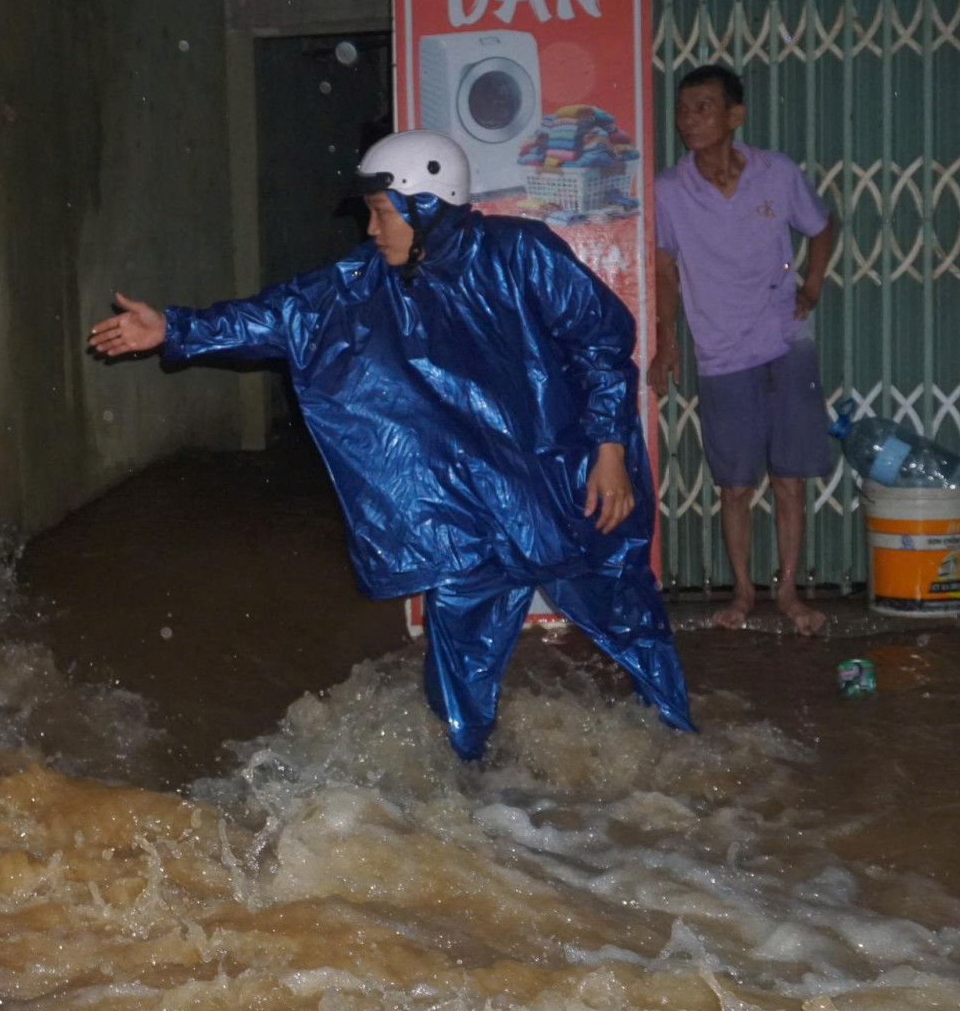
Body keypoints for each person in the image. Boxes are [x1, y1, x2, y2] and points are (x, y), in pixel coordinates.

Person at [88, 129, 694, 761]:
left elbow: (601, 344)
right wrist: (174, 328)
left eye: (381, 214)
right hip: (471, 505)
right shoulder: (362, 283)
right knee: (459, 658)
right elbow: (279, 315)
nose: (372, 231)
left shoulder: (521, 254)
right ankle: (470, 793)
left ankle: (679, 750)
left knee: (627, 617)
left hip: (572, 485)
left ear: (428, 205)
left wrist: (610, 453)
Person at [651, 64, 837, 635]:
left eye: (703, 107)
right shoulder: (667, 191)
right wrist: (666, 339)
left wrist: (813, 282)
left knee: (789, 479)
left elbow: (823, 226)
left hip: (786, 342)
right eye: (683, 109)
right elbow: (664, 268)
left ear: (736, 116)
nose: (689, 120)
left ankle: (788, 592)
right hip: (721, 350)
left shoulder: (775, 173)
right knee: (734, 484)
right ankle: (743, 593)